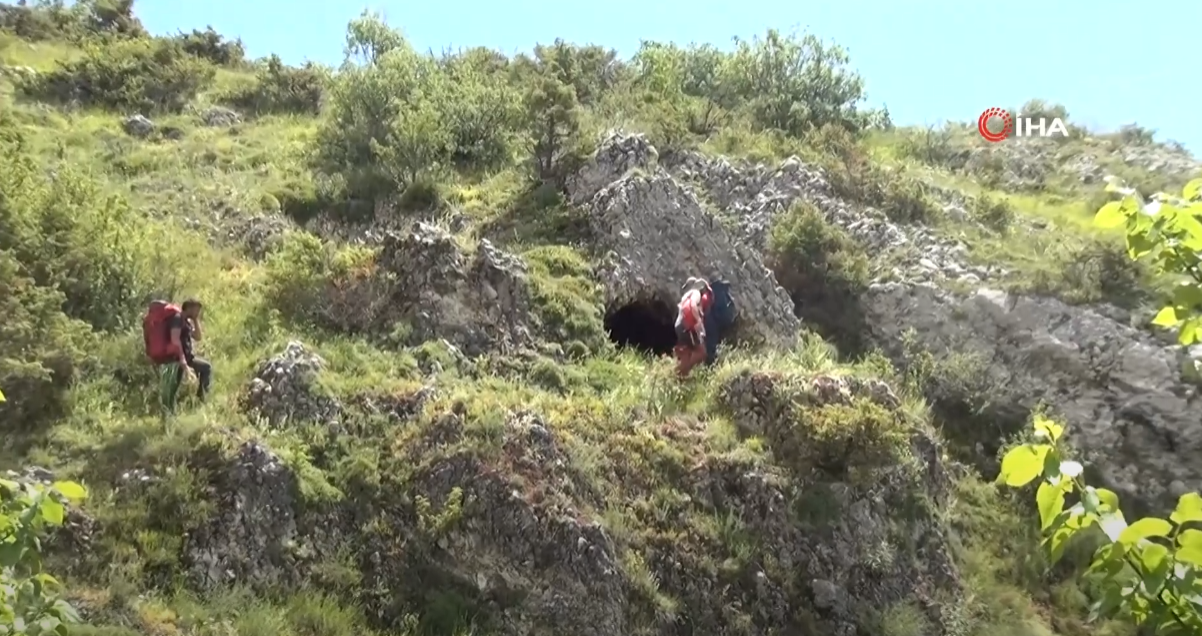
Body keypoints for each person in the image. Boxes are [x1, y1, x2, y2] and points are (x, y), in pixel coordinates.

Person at [161, 298, 212, 412]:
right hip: (176, 359)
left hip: (186, 358)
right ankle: (168, 413)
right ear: (188, 308)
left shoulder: (185, 321)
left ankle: (200, 402)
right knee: (173, 388)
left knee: (206, 368)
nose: (198, 313)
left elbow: (198, 337)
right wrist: (183, 362)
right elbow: (175, 340)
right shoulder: (177, 319)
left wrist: (195, 320)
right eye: (196, 310)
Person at [673, 278, 713, 378]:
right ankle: (680, 373)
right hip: (688, 325)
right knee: (701, 352)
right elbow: (692, 304)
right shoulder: (695, 293)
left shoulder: (684, 297)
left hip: (680, 325)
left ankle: (680, 374)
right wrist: (698, 320)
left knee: (686, 351)